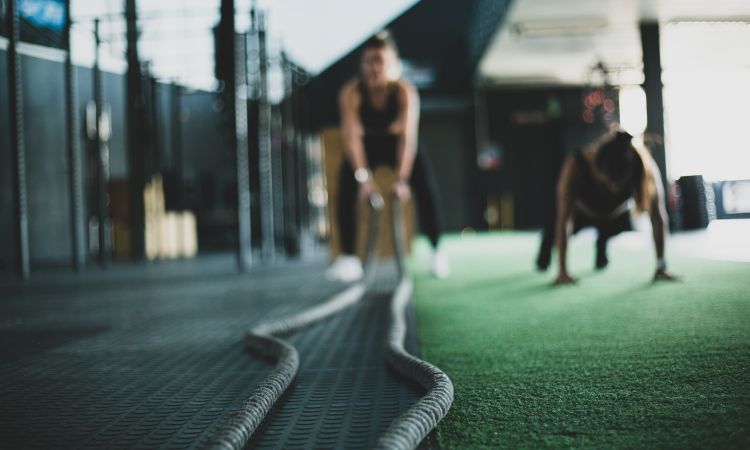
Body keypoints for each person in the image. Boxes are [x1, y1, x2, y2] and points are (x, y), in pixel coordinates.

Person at [326, 30, 449, 282]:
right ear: (362, 64)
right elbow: (352, 140)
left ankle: (436, 251)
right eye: (369, 61)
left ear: (392, 64)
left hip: (397, 146)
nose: (373, 68)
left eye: (379, 61)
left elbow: (407, 138)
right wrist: (363, 181)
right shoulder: (351, 93)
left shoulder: (404, 92)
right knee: (345, 184)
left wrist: (402, 180)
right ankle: (349, 258)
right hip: (367, 146)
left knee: (425, 185)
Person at [548, 129, 677, 285]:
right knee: (552, 232)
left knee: (613, 229)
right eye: (608, 183)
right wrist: (562, 271)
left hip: (615, 216)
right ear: (597, 167)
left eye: (618, 185)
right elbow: (564, 218)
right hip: (582, 213)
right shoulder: (575, 164)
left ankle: (602, 243)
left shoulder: (643, 166)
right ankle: (546, 247)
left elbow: (657, 217)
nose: (613, 189)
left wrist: (660, 266)